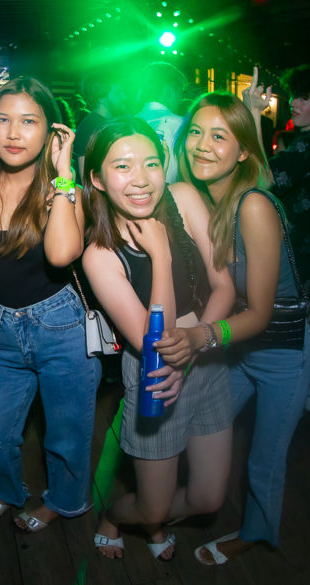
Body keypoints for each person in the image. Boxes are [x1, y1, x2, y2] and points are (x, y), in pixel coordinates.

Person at [164, 91, 310, 565]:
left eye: (220, 136)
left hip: (281, 352)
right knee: (200, 430)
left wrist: (200, 337)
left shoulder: (253, 206)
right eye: (196, 133)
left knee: (264, 460)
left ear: (243, 150)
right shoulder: (209, 199)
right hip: (237, 347)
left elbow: (262, 313)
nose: (201, 145)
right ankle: (173, 505)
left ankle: (257, 532)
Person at [81, 116, 235, 561]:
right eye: (122, 166)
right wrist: (162, 254)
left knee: (208, 500)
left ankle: (153, 523)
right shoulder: (99, 254)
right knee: (152, 507)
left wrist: (197, 345)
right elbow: (158, 343)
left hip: (206, 356)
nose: (141, 180)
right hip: (155, 376)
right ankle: (115, 516)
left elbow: (225, 286)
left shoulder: (183, 197)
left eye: (151, 163)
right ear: (97, 177)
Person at [0, 77, 101, 532]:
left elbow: (61, 255)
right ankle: (8, 489)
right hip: (2, 331)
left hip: (63, 329)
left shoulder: (62, 190)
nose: (13, 133)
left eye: (28, 121)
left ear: (51, 132)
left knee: (66, 439)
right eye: (3, 120)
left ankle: (64, 501)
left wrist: (64, 175)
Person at [244, 65, 310, 287]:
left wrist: (253, 113)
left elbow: (263, 179)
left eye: (304, 98)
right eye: (294, 96)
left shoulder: (306, 145)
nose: (293, 103)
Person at [135, 62, 187, 184]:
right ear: (170, 90)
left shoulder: (129, 122)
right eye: (180, 91)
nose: (180, 99)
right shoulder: (180, 125)